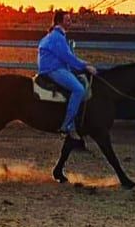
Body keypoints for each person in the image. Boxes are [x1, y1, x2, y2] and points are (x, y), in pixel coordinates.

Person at [37, 10, 97, 139]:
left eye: (70, 19)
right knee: (79, 89)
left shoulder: (55, 35)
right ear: (60, 22)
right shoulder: (57, 37)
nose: (70, 22)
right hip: (53, 69)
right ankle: (67, 126)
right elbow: (67, 57)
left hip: (55, 67)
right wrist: (85, 65)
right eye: (67, 20)